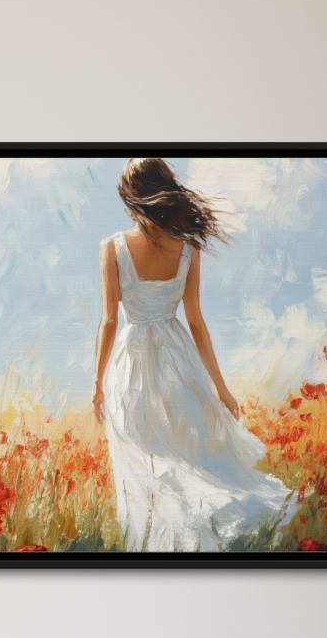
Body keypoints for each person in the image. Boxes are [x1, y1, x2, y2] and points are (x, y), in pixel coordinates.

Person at [91, 157, 295, 552]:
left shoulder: (112, 249)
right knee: (182, 453)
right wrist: (221, 389)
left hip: (131, 364)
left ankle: (154, 544)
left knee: (145, 455)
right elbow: (197, 323)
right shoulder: (187, 249)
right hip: (177, 359)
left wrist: (97, 382)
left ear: (133, 198)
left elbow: (109, 322)